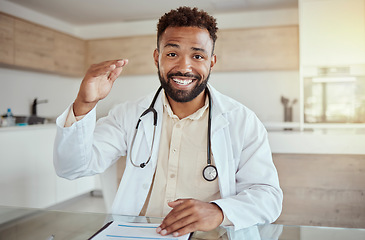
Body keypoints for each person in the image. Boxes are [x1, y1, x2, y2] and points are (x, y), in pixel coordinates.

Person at [54, 6, 283, 237]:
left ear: (211, 62)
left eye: (197, 55)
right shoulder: (129, 115)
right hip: (137, 235)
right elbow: (71, 167)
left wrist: (219, 211)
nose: (184, 67)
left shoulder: (242, 121)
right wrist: (84, 104)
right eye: (172, 54)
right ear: (157, 57)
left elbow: (269, 197)